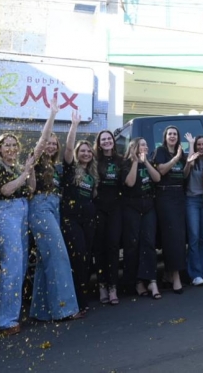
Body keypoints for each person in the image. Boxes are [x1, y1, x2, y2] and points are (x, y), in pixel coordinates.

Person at [28, 100, 82, 321]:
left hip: (54, 207)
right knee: (59, 255)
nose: (50, 146)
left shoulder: (58, 166)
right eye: (48, 143)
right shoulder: (36, 160)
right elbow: (41, 140)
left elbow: (70, 149)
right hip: (40, 206)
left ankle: (41, 310)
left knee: (46, 259)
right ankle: (65, 309)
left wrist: (74, 125)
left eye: (53, 144)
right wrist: (52, 115)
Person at [0, 134, 36, 336]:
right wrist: (25, 172)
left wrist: (30, 169)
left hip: (22, 212)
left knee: (21, 266)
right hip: (6, 213)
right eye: (6, 145)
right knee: (12, 267)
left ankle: (6, 317)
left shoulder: (17, 168)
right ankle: (4, 321)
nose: (10, 148)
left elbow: (31, 188)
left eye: (13, 145)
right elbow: (6, 190)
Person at [61, 110, 98, 311]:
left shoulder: (93, 174)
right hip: (72, 221)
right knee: (78, 257)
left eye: (89, 151)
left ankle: (83, 298)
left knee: (87, 258)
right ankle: (76, 301)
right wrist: (74, 125)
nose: (86, 153)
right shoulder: (70, 169)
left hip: (88, 221)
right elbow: (68, 148)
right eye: (82, 151)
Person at [121, 137, 162, 299]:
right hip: (132, 206)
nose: (145, 147)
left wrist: (145, 162)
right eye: (142, 144)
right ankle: (137, 282)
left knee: (149, 242)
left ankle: (152, 280)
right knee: (133, 244)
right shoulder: (126, 163)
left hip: (148, 206)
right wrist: (135, 162)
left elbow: (157, 178)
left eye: (146, 144)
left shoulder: (149, 161)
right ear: (134, 147)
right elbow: (130, 183)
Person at [152, 126, 187, 294]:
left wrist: (188, 162)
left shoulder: (181, 152)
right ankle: (176, 277)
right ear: (165, 137)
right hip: (165, 196)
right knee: (171, 237)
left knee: (179, 237)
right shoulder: (160, 151)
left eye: (175, 134)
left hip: (179, 196)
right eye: (170, 134)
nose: (172, 136)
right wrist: (176, 158)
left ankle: (168, 274)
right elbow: (161, 170)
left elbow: (184, 175)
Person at [93, 129, 124, 305]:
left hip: (116, 208)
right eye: (103, 139)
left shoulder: (120, 160)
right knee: (99, 249)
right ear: (99, 143)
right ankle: (102, 285)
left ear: (113, 141)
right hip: (98, 208)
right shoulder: (95, 160)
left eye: (109, 138)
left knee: (113, 247)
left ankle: (113, 287)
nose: (106, 141)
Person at [184, 133, 203, 286]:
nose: (201, 147)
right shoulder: (191, 158)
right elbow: (184, 175)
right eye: (198, 144)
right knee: (193, 237)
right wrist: (190, 146)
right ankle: (195, 274)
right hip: (191, 200)